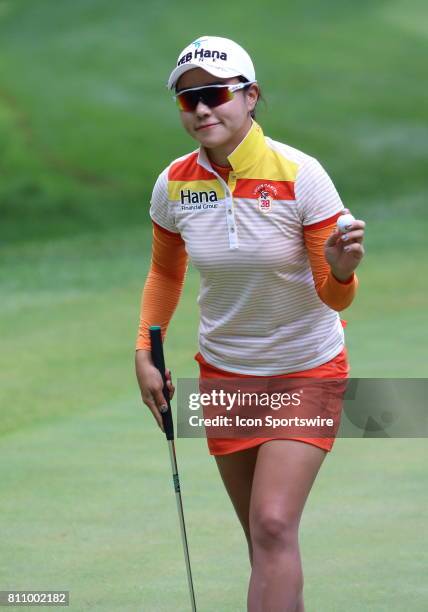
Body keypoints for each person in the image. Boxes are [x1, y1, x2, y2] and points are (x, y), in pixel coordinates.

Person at [135, 35, 365, 612]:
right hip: (226, 375)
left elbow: (335, 298)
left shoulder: (301, 174)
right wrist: (145, 349)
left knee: (271, 523)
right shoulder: (175, 185)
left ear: (251, 96)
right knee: (264, 542)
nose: (202, 109)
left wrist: (340, 271)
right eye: (189, 100)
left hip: (304, 369)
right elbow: (166, 274)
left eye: (215, 94)